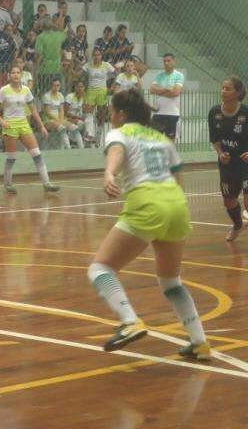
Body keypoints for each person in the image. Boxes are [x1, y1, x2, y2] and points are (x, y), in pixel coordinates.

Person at [88, 88, 209, 361]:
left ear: (120, 113)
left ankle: (130, 320)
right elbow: (177, 176)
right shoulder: (161, 137)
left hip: (147, 203)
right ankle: (200, 341)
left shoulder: (119, 133)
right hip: (177, 205)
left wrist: (109, 172)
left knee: (100, 268)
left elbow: (116, 152)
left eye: (112, 111)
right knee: (171, 281)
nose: (111, 115)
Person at [0, 65, 59, 194]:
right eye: (13, 72)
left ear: (21, 75)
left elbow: (33, 110)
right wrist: (1, 121)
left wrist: (42, 126)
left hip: (24, 124)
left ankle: (46, 183)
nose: (16, 75)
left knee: (36, 153)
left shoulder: (26, 90)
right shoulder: (4, 90)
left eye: (18, 73)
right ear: (9, 76)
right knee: (11, 156)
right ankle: (8, 184)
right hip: (10, 125)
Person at [208, 77, 248, 242]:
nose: (223, 91)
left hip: (246, 164)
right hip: (227, 164)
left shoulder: (245, 112)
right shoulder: (214, 112)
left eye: (228, 88)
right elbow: (215, 138)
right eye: (222, 88)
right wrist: (220, 153)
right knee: (229, 201)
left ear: (238, 92)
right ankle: (238, 225)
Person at [83, 48, 115, 146]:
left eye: (98, 55)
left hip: (102, 92)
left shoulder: (106, 65)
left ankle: (98, 139)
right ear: (93, 56)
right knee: (88, 113)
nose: (97, 57)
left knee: (101, 117)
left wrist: (111, 87)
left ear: (101, 56)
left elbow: (115, 74)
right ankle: (90, 134)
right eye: (95, 55)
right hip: (91, 91)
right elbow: (81, 76)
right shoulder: (88, 65)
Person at [150, 53, 184, 140]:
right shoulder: (159, 76)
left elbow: (175, 92)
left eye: (168, 61)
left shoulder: (179, 75)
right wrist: (167, 89)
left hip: (172, 114)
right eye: (164, 61)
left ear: (174, 62)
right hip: (158, 114)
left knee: (170, 143)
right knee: (155, 141)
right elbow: (152, 89)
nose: (166, 63)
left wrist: (160, 91)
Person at [42, 78, 83, 149]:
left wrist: (61, 120)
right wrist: (58, 121)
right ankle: (68, 148)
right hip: (49, 120)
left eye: (58, 85)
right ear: (51, 86)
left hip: (59, 119)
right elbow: (48, 112)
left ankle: (81, 148)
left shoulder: (60, 95)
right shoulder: (46, 96)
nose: (56, 87)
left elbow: (61, 110)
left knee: (74, 128)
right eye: (54, 85)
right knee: (62, 128)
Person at [65, 80, 89, 146]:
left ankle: (80, 139)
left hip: (78, 118)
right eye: (78, 87)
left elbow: (85, 111)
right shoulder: (70, 97)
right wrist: (78, 117)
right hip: (68, 118)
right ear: (75, 87)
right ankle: (73, 139)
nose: (80, 88)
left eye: (82, 87)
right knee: (81, 124)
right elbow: (65, 112)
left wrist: (85, 100)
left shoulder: (83, 98)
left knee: (87, 122)